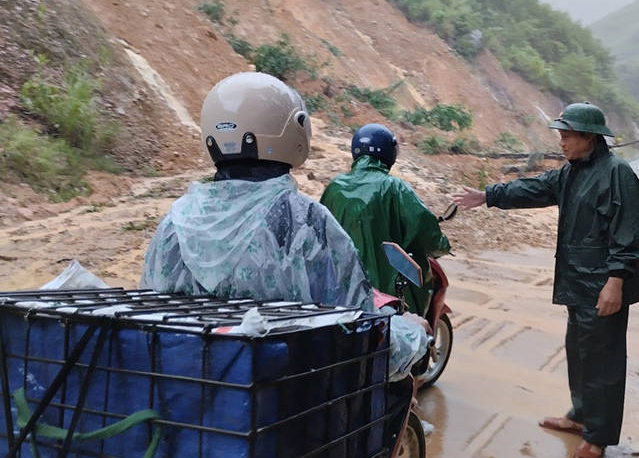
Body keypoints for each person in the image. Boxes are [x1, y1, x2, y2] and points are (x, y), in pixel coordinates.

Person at [140, 72, 429, 382]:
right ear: (295, 130)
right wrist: (412, 332)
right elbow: (363, 338)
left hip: (184, 402)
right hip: (285, 411)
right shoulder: (305, 224)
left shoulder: (172, 223)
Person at [453, 102, 639, 458]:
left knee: (602, 362)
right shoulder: (573, 172)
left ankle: (598, 436)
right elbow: (535, 187)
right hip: (578, 282)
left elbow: (630, 234)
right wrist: (488, 196)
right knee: (579, 352)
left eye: (566, 135)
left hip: (603, 285)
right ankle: (579, 416)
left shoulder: (617, 173)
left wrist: (616, 282)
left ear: (588, 136)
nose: (561, 142)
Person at [320, 123, 451, 318]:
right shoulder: (395, 188)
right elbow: (426, 230)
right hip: (388, 297)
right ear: (390, 152)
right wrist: (443, 245)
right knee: (415, 327)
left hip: (341, 292)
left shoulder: (334, 188)